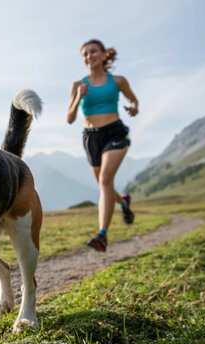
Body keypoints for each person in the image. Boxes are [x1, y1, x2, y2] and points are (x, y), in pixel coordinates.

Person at [66, 39, 138, 252]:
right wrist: (78, 98)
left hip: (114, 133)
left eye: (93, 52)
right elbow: (69, 118)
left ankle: (102, 235)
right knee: (103, 185)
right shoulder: (78, 85)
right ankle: (123, 202)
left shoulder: (117, 81)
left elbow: (134, 101)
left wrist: (133, 108)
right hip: (91, 138)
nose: (89, 56)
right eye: (85, 54)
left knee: (106, 180)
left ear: (104, 54)